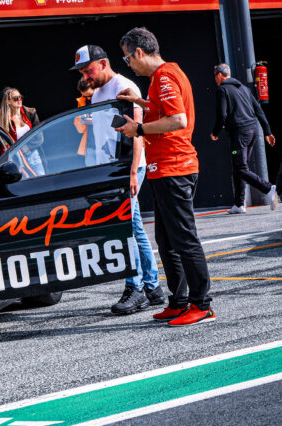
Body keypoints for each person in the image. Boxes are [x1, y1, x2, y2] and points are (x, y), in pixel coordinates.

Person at [115, 27, 214, 326]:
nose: (128, 65)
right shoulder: (164, 77)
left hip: (175, 167)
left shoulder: (165, 76)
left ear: (140, 52)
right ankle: (180, 301)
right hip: (165, 167)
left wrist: (140, 129)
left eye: (128, 59)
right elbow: (166, 111)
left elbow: (178, 119)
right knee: (167, 240)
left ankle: (202, 304)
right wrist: (143, 104)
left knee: (183, 239)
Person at [70, 43, 165, 314]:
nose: (85, 77)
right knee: (133, 226)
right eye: (82, 73)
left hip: (129, 169)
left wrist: (133, 171)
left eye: (88, 71)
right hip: (115, 170)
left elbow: (136, 133)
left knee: (125, 226)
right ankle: (152, 286)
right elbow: (113, 132)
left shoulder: (124, 87)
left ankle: (135, 288)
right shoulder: (99, 93)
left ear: (103, 63)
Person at [210, 63, 278, 214]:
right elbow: (258, 110)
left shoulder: (222, 90)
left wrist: (215, 132)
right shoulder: (245, 89)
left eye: (215, 76)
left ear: (219, 75)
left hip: (240, 134)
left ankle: (269, 188)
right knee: (239, 167)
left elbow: (222, 115)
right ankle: (239, 204)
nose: (215, 80)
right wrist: (267, 131)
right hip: (252, 131)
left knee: (240, 168)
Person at [0, 87, 45, 176]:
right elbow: (3, 144)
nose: (19, 100)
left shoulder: (30, 113)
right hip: (16, 159)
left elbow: (39, 136)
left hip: (33, 154)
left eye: (20, 97)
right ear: (8, 101)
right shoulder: (4, 121)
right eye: (15, 98)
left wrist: (25, 148)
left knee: (41, 178)